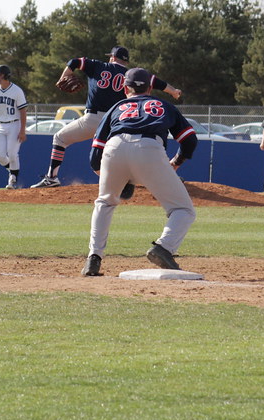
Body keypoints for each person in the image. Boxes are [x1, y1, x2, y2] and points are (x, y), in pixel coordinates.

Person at [81, 67, 199, 277]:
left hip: (114, 148)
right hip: (149, 148)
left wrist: (104, 172)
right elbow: (189, 140)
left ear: (125, 88)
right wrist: (176, 162)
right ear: (151, 87)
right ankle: (163, 248)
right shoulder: (164, 104)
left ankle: (93, 259)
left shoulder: (116, 106)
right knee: (183, 209)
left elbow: (96, 150)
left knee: (105, 202)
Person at [31, 45, 183, 195]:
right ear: (126, 61)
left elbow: (74, 61)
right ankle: (164, 177)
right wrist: (174, 91)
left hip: (92, 120)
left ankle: (51, 178)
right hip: (117, 123)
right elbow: (157, 82)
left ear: (112, 57)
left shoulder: (98, 66)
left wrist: (63, 76)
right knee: (128, 154)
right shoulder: (131, 74)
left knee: (60, 139)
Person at [0, 64, 28, 189]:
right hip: (0, 125)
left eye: (0, 74)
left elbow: (23, 111)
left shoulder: (17, 90)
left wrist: (22, 130)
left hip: (14, 124)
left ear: (6, 75)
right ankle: (14, 171)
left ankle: (13, 180)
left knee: (13, 154)